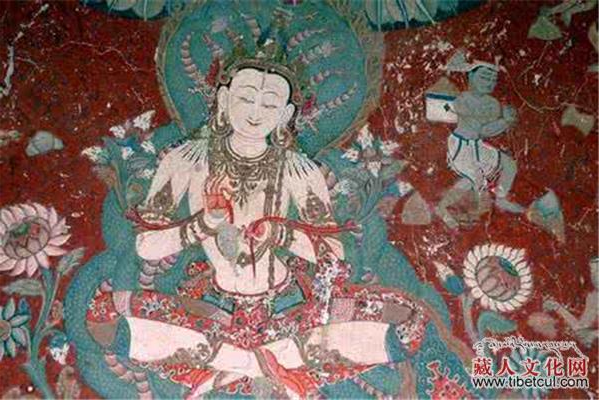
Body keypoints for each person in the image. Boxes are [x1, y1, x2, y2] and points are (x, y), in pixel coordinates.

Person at [86, 51, 473, 399]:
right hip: (212, 312)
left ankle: (238, 365)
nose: (255, 111)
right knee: (103, 315)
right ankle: (266, 365)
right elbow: (146, 246)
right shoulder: (186, 161)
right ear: (223, 100)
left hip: (289, 313)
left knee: (408, 319)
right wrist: (203, 225)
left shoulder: (298, 169)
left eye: (269, 103)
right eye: (245, 98)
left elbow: (333, 254)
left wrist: (281, 233)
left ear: (286, 115)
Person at [436, 62, 525, 229]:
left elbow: (487, 131)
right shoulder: (463, 100)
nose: (489, 83)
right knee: (475, 180)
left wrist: (506, 122)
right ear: (470, 76)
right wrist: (505, 121)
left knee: (509, 165)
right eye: (484, 77)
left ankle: (501, 198)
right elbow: (481, 129)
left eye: (493, 79)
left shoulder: (493, 104)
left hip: (477, 144)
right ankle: (446, 210)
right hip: (461, 146)